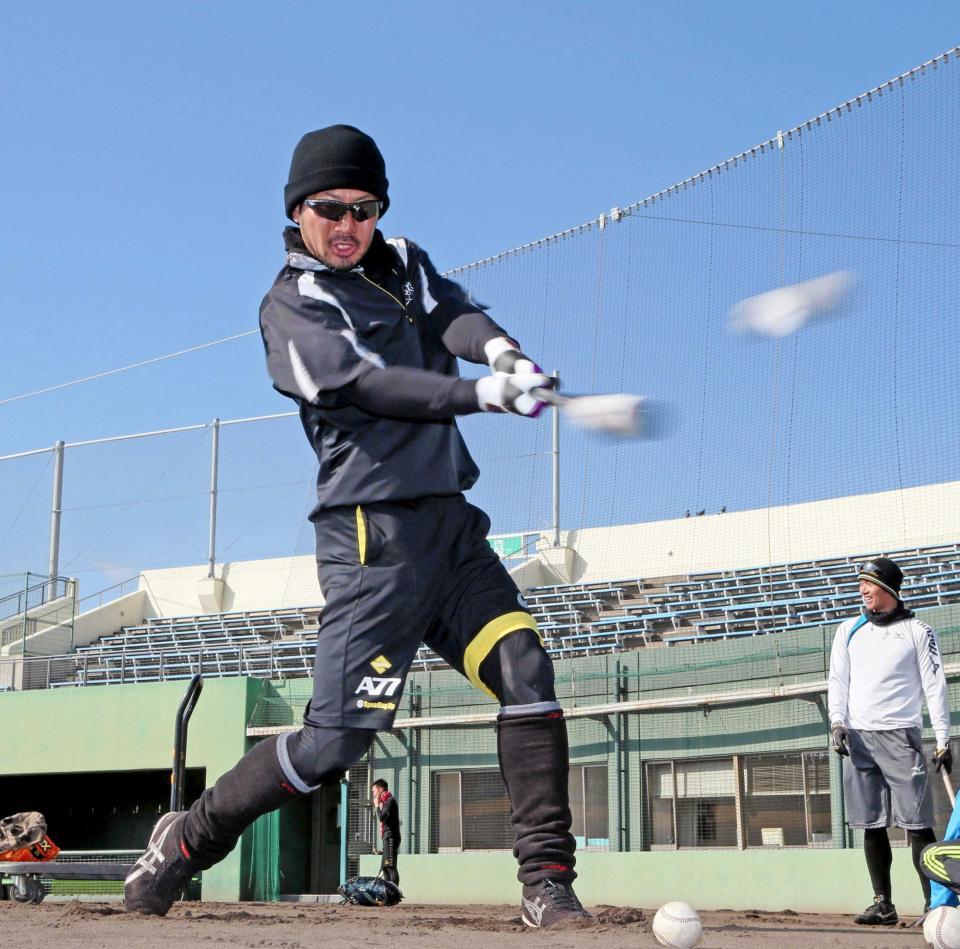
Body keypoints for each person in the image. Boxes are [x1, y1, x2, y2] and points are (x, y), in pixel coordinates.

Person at [124, 125, 587, 929]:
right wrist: (480, 397)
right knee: (333, 744)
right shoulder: (290, 309)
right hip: (371, 542)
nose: (348, 225)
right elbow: (370, 384)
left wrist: (504, 356)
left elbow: (454, 316)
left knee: (526, 670)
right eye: (329, 209)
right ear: (298, 212)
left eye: (363, 208)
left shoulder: (404, 259)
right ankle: (188, 838)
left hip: (451, 528)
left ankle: (547, 882)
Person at [828, 556, 952, 926]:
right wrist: (837, 723)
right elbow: (838, 681)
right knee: (871, 823)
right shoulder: (848, 630)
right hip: (858, 739)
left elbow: (935, 686)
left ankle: (935, 906)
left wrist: (943, 739)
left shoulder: (918, 630)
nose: (862, 590)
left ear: (889, 588)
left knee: (917, 824)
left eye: (869, 583)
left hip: (901, 736)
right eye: (861, 584)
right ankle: (883, 903)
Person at [372, 779, 400, 886]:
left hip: (391, 836)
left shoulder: (389, 800)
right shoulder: (385, 801)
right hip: (387, 837)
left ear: (380, 789)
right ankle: (387, 892)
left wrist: (376, 806)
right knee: (384, 867)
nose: (373, 794)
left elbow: (382, 817)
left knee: (390, 866)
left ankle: (394, 893)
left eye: (374, 791)